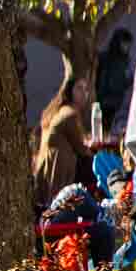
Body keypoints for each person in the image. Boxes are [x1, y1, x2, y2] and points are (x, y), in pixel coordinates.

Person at [35, 76, 94, 208]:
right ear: (69, 91)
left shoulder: (59, 110)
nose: (84, 93)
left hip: (47, 166)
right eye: (79, 88)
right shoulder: (69, 114)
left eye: (86, 89)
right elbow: (81, 148)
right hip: (59, 169)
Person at [99, 29, 133, 139]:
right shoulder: (107, 59)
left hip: (119, 103)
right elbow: (103, 80)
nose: (126, 46)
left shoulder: (125, 60)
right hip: (106, 102)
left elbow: (122, 80)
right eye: (124, 43)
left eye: (128, 44)